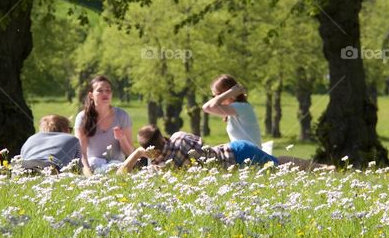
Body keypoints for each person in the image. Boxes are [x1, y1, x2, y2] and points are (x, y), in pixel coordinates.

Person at [121, 125, 327, 172]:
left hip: (237, 161)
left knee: (280, 168)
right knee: (279, 163)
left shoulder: (164, 167)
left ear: (149, 150)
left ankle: (321, 170)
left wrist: (138, 154)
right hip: (236, 148)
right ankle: (321, 168)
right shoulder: (178, 137)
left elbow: (121, 174)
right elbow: (201, 143)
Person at [74, 75, 134, 174]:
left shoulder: (122, 115)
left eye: (108, 90)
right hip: (92, 166)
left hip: (116, 168)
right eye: (100, 91)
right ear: (91, 95)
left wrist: (122, 138)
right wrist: (88, 172)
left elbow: (130, 153)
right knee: (95, 162)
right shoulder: (82, 117)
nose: (105, 93)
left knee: (114, 165)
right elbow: (81, 153)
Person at [202, 74, 262, 147]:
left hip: (250, 153)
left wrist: (231, 92)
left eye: (217, 95)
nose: (216, 98)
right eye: (214, 96)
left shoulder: (242, 107)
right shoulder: (234, 109)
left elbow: (207, 107)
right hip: (244, 152)